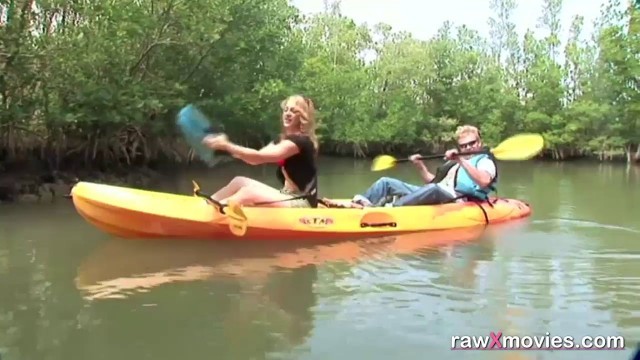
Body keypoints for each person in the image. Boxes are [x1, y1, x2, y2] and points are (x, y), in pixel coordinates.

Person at [201, 95, 319, 208]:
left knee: (249, 192)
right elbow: (254, 159)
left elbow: (258, 157)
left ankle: (216, 210)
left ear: (302, 117)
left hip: (302, 203)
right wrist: (223, 147)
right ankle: (207, 204)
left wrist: (227, 146)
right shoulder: (281, 139)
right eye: (286, 110)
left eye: (294, 111)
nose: (288, 113)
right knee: (239, 181)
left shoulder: (300, 141)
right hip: (287, 195)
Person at [348, 125, 498, 208]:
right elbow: (432, 182)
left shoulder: (485, 161)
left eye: (472, 143)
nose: (468, 147)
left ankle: (392, 208)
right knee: (386, 182)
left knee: (434, 189)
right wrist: (420, 166)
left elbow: (484, 181)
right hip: (438, 192)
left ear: (479, 143)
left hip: (459, 199)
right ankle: (361, 203)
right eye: (464, 146)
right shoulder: (454, 162)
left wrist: (461, 161)